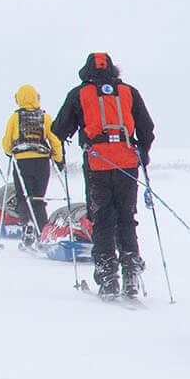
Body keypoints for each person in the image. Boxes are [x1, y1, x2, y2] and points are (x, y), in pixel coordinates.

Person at [53, 52, 156, 299]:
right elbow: (147, 129)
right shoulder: (129, 92)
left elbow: (59, 128)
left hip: (98, 163)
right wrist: (142, 152)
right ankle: (131, 270)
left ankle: (108, 276)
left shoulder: (78, 93)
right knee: (126, 217)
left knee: (102, 219)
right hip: (127, 163)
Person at [0, 85, 64, 238]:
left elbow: (7, 142)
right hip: (42, 162)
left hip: (22, 162)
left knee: (23, 196)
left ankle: (27, 224)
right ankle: (42, 231)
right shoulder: (45, 117)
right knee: (38, 197)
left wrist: (9, 152)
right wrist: (58, 159)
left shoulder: (15, 118)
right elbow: (54, 139)